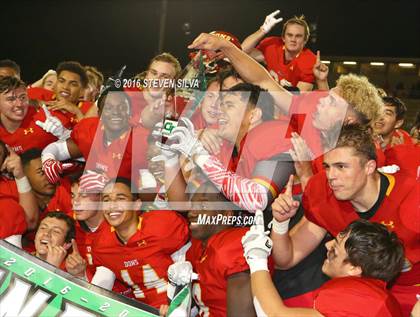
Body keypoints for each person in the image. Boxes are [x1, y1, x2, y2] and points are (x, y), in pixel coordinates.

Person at [270, 125, 419, 316]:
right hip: (359, 293)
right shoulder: (322, 192)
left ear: (369, 167)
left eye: (341, 166)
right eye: (327, 167)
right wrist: (280, 222)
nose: (331, 176)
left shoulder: (412, 196)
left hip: (412, 288)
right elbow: (286, 259)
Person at [242, 213, 404, 316]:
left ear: (354, 268)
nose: (327, 246)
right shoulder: (378, 297)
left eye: (335, 248)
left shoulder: (354, 298)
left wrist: (257, 258)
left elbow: (272, 315)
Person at [89, 177, 190, 308]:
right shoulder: (102, 244)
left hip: (180, 305)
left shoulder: (162, 225)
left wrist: (178, 304)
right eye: (106, 200)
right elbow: (100, 287)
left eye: (120, 199)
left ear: (136, 205)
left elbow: (192, 264)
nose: (112, 205)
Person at [171, 181, 255, 316]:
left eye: (203, 205)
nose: (191, 212)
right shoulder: (198, 246)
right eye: (192, 206)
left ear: (227, 214)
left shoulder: (234, 245)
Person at [242, 12, 316, 91]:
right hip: (267, 96)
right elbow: (243, 51)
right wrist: (262, 30)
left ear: (305, 40)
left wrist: (282, 89)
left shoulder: (310, 60)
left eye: (298, 36)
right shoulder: (272, 45)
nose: (293, 39)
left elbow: (299, 99)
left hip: (288, 99)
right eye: (289, 35)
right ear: (283, 38)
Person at [0, 76, 71, 154]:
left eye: (23, 97)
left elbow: (83, 147)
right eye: (11, 99)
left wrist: (64, 135)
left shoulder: (48, 118)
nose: (19, 104)